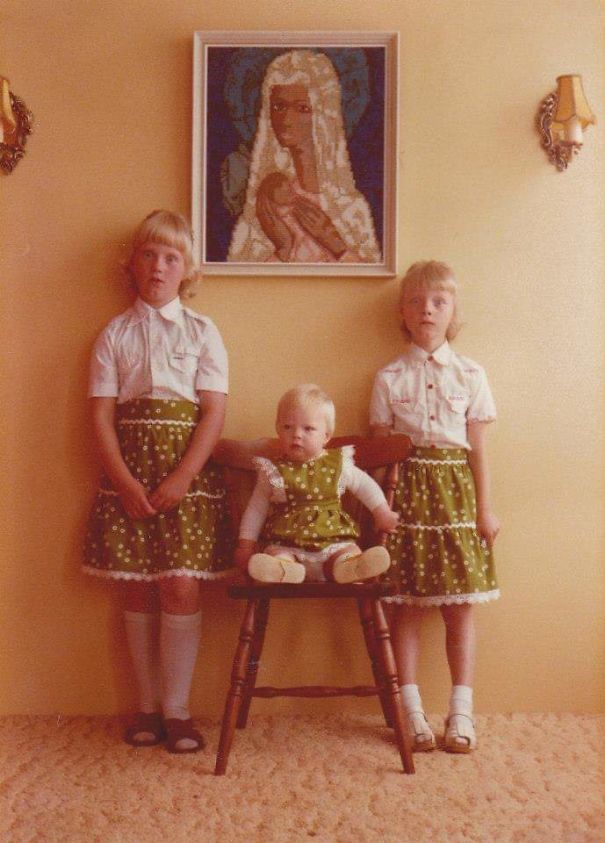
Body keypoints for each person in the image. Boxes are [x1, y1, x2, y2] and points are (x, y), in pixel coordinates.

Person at [84, 210, 233, 754]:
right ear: (133, 264)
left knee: (179, 584)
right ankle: (145, 707)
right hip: (129, 473)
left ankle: (178, 710)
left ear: (186, 270)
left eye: (171, 258)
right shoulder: (114, 334)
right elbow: (101, 417)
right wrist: (123, 482)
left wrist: (183, 477)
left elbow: (213, 413)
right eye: (149, 255)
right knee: (134, 583)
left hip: (184, 477)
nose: (159, 266)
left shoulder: (202, 331)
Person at [370, 261, 500, 754]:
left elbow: (479, 451)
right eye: (417, 302)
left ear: (452, 313)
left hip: (456, 498)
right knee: (404, 605)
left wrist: (486, 510)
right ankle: (412, 710)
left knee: (459, 607)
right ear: (403, 312)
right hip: (406, 497)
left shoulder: (470, 374)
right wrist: (381, 511)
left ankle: (460, 711)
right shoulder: (388, 377)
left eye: (438, 302)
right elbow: (380, 456)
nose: (427, 310)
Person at [227, 49, 381, 264]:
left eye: (302, 108)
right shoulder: (269, 201)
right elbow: (240, 279)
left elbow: (369, 282)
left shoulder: (351, 207)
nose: (286, 118)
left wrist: (337, 246)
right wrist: (283, 249)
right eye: (279, 106)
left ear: (322, 115)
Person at [234, 384, 399, 583]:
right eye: (287, 427)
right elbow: (256, 509)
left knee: (347, 551)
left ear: (326, 436)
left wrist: (381, 513)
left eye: (308, 428)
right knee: (277, 554)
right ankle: (283, 570)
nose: (296, 434)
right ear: (278, 428)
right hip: (287, 544)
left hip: (333, 543)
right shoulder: (273, 471)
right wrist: (246, 545)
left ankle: (350, 566)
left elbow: (365, 486)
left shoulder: (338, 465)